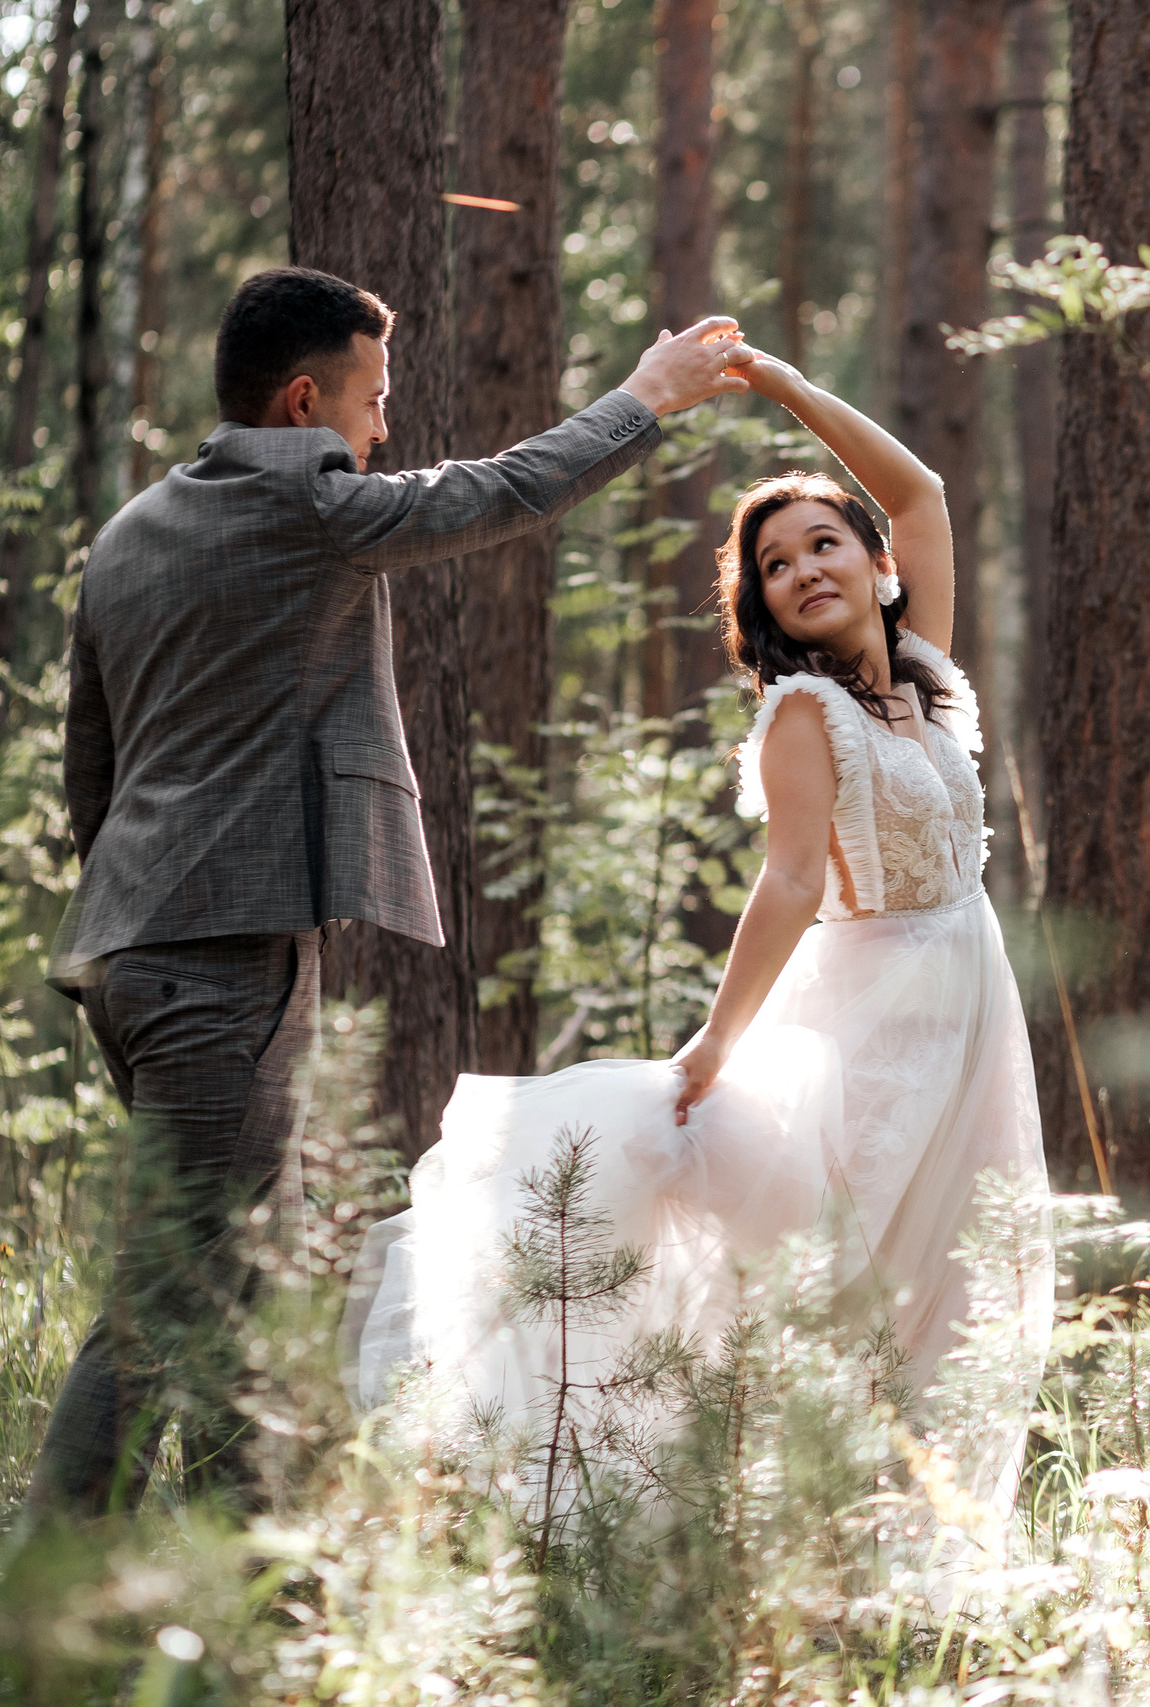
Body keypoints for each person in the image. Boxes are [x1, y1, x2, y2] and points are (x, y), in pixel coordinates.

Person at [33, 265, 752, 1516]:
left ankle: (240, 1578)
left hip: (127, 953)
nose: (383, 432)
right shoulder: (305, 495)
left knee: (245, 1280)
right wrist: (647, 395)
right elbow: (500, 492)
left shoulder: (128, 533)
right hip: (222, 955)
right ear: (305, 400)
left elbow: (86, 779)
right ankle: (46, 1594)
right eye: (372, 400)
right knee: (169, 1288)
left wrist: (143, 909)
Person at [346, 343, 1053, 1524]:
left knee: (950, 1275)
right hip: (873, 1020)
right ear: (765, 608)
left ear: (880, 570)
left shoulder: (922, 676)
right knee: (844, 1274)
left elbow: (921, 492)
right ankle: (742, 1522)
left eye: (824, 543)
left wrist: (781, 389)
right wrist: (715, 1051)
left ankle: (903, 1537)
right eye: (774, 566)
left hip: (972, 1012)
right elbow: (785, 883)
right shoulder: (802, 710)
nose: (802, 569)